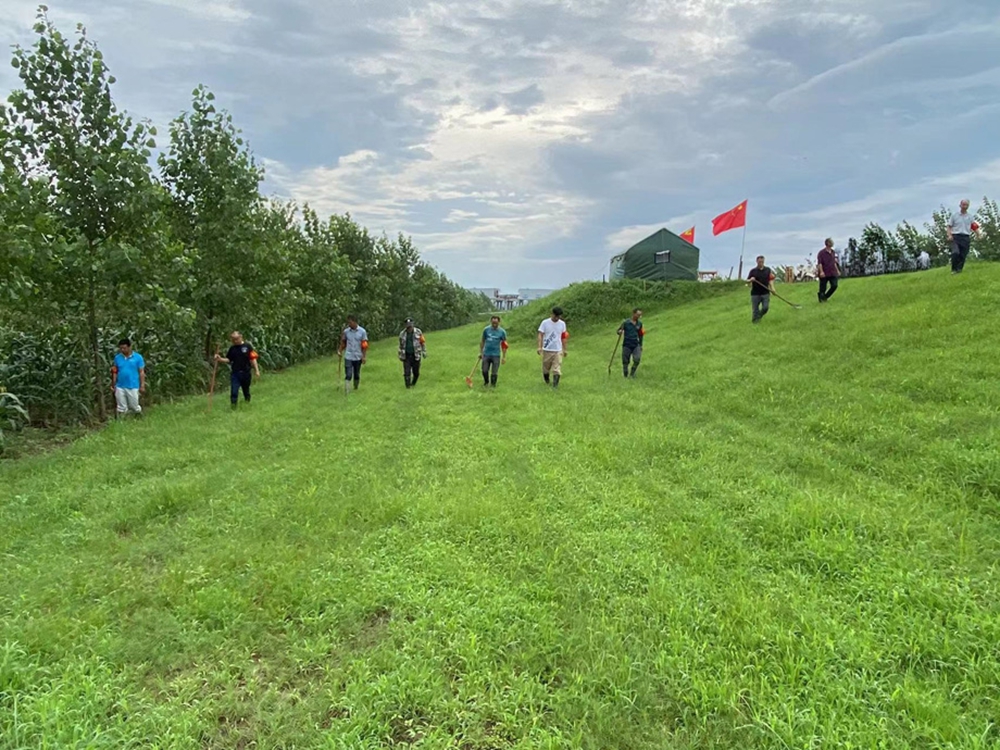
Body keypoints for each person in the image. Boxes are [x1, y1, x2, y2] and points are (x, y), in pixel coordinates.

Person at [215, 331, 260, 408]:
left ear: (241, 337)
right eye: (233, 340)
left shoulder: (247, 346)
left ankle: (247, 403)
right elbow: (228, 359)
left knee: (246, 390)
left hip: (246, 372)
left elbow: (253, 359)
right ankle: (233, 406)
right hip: (235, 373)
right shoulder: (232, 349)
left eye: (236, 339)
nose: (235, 341)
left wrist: (257, 370)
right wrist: (220, 359)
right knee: (234, 391)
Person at [110, 337, 145, 416]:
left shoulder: (138, 357)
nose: (122, 350)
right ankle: (123, 419)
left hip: (133, 385)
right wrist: (113, 384)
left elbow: (141, 372)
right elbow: (115, 371)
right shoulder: (117, 358)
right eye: (121, 348)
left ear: (129, 347)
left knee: (134, 406)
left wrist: (142, 385)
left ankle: (138, 416)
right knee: (121, 407)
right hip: (120, 385)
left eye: (124, 348)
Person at [537, 306, 568, 387]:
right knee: (546, 368)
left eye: (558, 316)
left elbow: (563, 337)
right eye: (555, 316)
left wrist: (565, 349)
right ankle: (547, 379)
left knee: (556, 368)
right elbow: (540, 334)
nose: (557, 318)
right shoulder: (545, 323)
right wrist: (539, 347)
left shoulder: (562, 324)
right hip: (547, 349)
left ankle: (555, 385)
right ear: (552, 314)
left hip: (557, 350)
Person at [338, 316, 368, 391]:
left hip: (358, 356)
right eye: (348, 322)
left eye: (350, 322)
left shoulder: (362, 331)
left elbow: (364, 345)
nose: (349, 324)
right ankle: (347, 390)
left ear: (355, 322)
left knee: (356, 374)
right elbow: (343, 343)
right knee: (348, 374)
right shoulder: (346, 332)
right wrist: (340, 350)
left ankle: (355, 387)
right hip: (348, 355)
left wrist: (364, 356)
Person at [479, 315, 508, 387]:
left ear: (499, 322)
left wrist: (504, 357)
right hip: (486, 354)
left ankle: (493, 385)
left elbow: (504, 345)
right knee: (484, 370)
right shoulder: (486, 330)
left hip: (496, 355)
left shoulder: (502, 332)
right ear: (491, 322)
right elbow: (482, 341)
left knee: (494, 372)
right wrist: (481, 352)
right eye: (493, 322)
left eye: (496, 323)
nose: (494, 324)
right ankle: (486, 382)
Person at [947, 199, 975, 274]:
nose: (965, 206)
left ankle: (959, 270)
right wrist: (949, 235)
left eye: (966, 205)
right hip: (956, 237)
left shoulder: (970, 217)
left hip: (965, 237)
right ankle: (954, 269)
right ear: (960, 205)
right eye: (963, 205)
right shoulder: (954, 215)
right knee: (955, 252)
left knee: (963, 255)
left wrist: (979, 234)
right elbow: (949, 226)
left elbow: (974, 226)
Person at [398, 318, 427, 388]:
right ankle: (407, 386)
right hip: (406, 355)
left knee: (416, 372)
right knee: (407, 372)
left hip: (416, 355)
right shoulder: (402, 334)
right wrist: (400, 354)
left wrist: (424, 351)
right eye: (408, 326)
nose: (409, 328)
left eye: (410, 326)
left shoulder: (418, 332)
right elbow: (400, 345)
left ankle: (413, 383)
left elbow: (422, 342)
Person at [746, 255, 776, 323]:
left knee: (765, 308)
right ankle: (755, 322)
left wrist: (773, 289)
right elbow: (747, 281)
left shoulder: (768, 270)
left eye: (762, 262)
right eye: (759, 262)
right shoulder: (753, 271)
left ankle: (758, 316)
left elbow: (770, 280)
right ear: (757, 262)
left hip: (765, 292)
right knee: (755, 310)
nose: (761, 263)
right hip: (755, 293)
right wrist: (751, 280)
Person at [617, 308, 644, 378]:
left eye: (640, 315)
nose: (639, 316)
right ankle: (625, 375)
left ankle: (632, 373)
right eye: (638, 315)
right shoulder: (626, 323)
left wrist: (641, 345)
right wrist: (620, 332)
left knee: (637, 359)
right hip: (627, 344)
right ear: (633, 314)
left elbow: (641, 335)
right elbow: (618, 331)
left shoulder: (639, 324)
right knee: (625, 361)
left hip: (636, 344)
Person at [816, 238, 841, 303]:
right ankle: (821, 298)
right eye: (831, 242)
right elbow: (820, 263)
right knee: (822, 288)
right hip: (824, 272)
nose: (832, 243)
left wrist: (837, 270)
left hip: (832, 272)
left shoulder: (833, 252)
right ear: (827, 243)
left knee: (834, 285)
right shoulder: (821, 253)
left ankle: (825, 296)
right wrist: (821, 272)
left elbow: (834, 262)